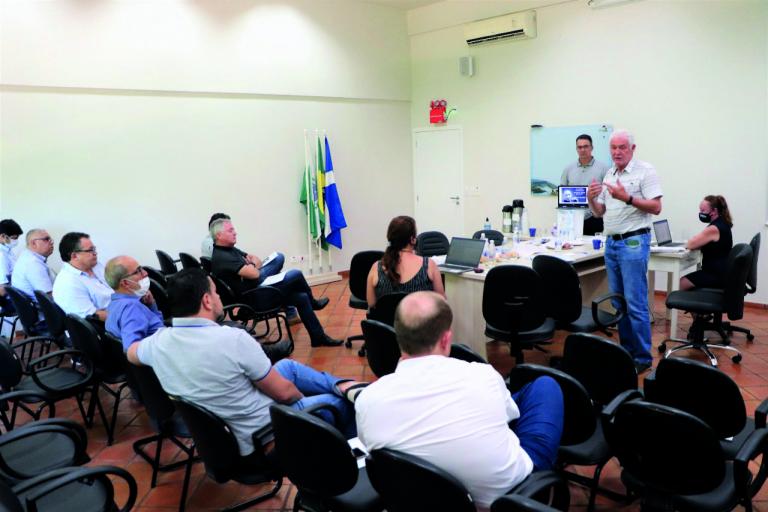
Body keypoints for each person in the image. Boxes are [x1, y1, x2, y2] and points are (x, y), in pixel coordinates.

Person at [356, 291, 563, 509]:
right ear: (446, 338)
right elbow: (512, 415)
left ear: (398, 338)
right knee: (545, 386)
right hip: (509, 492)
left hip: (421, 497)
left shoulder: (368, 399)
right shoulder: (483, 375)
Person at [126, 268, 363, 457]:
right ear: (207, 301)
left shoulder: (157, 343)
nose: (219, 298)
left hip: (224, 434)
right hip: (265, 434)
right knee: (338, 405)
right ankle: (353, 465)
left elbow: (131, 352)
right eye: (217, 294)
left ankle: (345, 386)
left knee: (287, 367)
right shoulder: (232, 338)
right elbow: (285, 395)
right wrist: (301, 405)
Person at [587, 129, 662, 373]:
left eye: (622, 147)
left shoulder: (645, 171)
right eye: (613, 148)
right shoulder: (610, 173)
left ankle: (642, 358)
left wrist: (627, 197)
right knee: (620, 304)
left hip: (633, 243)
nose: (617, 152)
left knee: (636, 303)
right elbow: (601, 213)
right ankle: (627, 352)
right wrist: (591, 200)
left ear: (632, 149)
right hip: (612, 244)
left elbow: (656, 207)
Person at [210, 219, 341, 347]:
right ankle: (314, 304)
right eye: (230, 230)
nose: (235, 232)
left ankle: (318, 338)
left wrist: (251, 267)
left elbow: (256, 262)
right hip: (254, 299)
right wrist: (252, 268)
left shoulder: (228, 249)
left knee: (302, 297)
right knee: (296, 274)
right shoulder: (224, 257)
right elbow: (255, 274)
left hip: (256, 290)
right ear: (219, 235)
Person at [366, 215, 444, 307]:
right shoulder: (429, 265)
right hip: (419, 321)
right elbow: (441, 303)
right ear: (413, 240)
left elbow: (371, 303)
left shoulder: (376, 267)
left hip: (385, 321)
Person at [104, 255, 164, 352]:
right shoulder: (131, 308)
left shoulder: (114, 305)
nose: (145, 273)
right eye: (138, 271)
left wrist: (152, 306)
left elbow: (155, 328)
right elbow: (132, 349)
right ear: (126, 283)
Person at [52, 232, 113, 321]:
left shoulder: (95, 265)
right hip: (110, 324)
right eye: (90, 250)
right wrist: (126, 316)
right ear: (74, 256)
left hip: (122, 306)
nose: (95, 253)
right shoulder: (68, 282)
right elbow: (92, 316)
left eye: (94, 249)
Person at [680, 195, 733, 291]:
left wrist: (693, 242)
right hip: (721, 272)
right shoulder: (723, 222)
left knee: (679, 284)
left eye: (703, 211)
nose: (700, 213)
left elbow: (690, 244)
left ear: (714, 211)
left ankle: (673, 305)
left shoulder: (714, 228)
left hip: (715, 275)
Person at [561, 134, 610, 235]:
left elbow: (609, 195)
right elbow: (562, 195)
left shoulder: (604, 169)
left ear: (591, 147)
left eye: (586, 146)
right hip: (572, 220)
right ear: (576, 149)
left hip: (595, 219)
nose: (582, 149)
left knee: (594, 249)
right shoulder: (568, 169)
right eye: (579, 147)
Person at [11, 229, 56, 301]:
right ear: (33, 243)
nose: (52, 242)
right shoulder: (33, 264)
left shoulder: (27, 256)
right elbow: (49, 297)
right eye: (47, 239)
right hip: (42, 309)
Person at [0, 219, 23, 296]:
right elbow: (3, 287)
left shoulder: (8, 250)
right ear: (3, 236)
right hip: (7, 298)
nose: (16, 241)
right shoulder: (1, 255)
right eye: (14, 238)